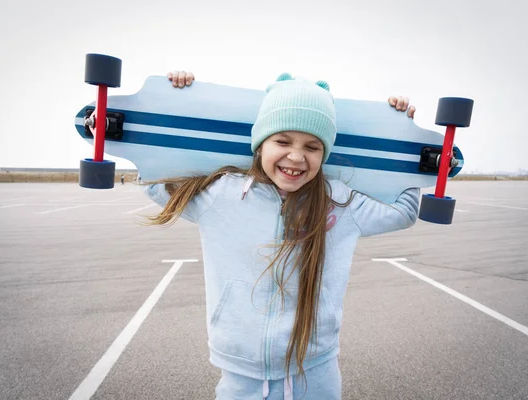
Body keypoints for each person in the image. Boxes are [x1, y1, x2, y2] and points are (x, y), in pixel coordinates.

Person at [144, 71, 419, 400]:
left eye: (312, 147)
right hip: (239, 374)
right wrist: (178, 99)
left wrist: (404, 137)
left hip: (314, 373)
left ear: (324, 154)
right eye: (283, 141)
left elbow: (404, 211)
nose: (297, 156)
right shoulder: (223, 194)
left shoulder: (339, 201)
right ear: (260, 145)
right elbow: (156, 183)